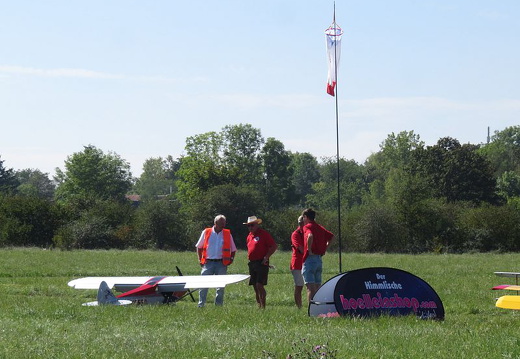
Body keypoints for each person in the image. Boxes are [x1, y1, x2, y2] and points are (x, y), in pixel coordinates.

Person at [195, 214, 237, 307]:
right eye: (221, 223)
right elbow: (199, 246)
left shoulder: (227, 233)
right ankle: (201, 305)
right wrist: (199, 259)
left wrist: (231, 259)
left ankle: (218, 306)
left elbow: (233, 249)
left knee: (220, 286)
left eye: (224, 223)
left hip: (221, 263)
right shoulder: (206, 232)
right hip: (208, 263)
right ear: (215, 223)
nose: (223, 225)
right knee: (203, 285)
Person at [301, 208, 334, 304]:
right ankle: (319, 308)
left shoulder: (307, 227)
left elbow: (310, 236)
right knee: (317, 287)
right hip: (319, 259)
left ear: (306, 217)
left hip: (310, 260)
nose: (303, 220)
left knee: (310, 288)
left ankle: (311, 310)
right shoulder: (320, 227)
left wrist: (309, 249)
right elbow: (332, 237)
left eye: (303, 217)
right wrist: (325, 248)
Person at [244, 216, 278, 309]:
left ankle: (263, 306)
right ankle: (259, 305)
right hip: (252, 263)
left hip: (262, 262)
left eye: (252, 225)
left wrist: (266, 257)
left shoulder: (264, 234)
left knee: (259, 284)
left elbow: (273, 246)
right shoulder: (249, 236)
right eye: (248, 226)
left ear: (257, 225)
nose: (250, 227)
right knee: (255, 285)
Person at [290, 215, 305, 309]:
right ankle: (299, 307)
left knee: (309, 285)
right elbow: (300, 249)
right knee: (299, 286)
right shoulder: (295, 234)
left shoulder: (308, 233)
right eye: (301, 223)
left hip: (306, 262)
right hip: (297, 263)